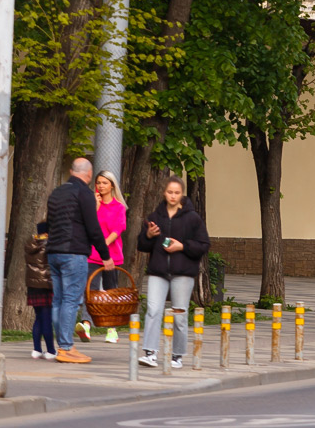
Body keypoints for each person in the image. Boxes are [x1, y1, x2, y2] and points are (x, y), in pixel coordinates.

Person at [45, 158, 115, 364]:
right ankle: (66, 348)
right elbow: (93, 228)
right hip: (74, 253)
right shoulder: (84, 193)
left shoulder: (57, 192)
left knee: (58, 300)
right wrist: (105, 256)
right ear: (89, 173)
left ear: (71, 171)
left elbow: (49, 223)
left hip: (53, 252)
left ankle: (63, 345)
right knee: (71, 300)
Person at [137, 176, 209, 369]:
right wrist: (148, 235)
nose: (173, 196)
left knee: (179, 314)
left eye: (177, 193)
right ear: (164, 192)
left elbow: (203, 245)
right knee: (153, 310)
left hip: (183, 273)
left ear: (182, 194)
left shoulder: (192, 218)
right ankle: (150, 352)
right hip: (158, 271)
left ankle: (177, 355)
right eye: (170, 192)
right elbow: (141, 245)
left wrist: (182, 247)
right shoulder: (155, 217)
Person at [81, 169, 127, 343]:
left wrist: (104, 246)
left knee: (110, 291)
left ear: (112, 185)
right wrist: (95, 208)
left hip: (112, 255)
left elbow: (118, 230)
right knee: (90, 290)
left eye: (104, 183)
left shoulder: (119, 207)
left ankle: (111, 329)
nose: (101, 186)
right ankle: (86, 324)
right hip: (92, 255)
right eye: (98, 182)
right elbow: (88, 226)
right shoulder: (93, 205)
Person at [25, 221, 55, 360]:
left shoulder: (31, 244)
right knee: (47, 319)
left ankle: (36, 349)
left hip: (33, 286)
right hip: (46, 285)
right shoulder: (49, 245)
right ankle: (50, 350)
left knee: (38, 318)